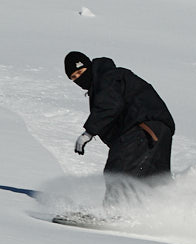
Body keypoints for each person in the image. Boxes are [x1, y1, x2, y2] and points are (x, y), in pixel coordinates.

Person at [65, 51, 175, 208]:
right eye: (74, 78)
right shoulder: (110, 79)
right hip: (158, 130)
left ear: (89, 67)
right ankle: (165, 212)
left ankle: (114, 212)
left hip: (142, 128)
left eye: (80, 72)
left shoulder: (107, 77)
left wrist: (88, 132)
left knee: (117, 171)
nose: (78, 79)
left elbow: (110, 106)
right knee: (153, 178)